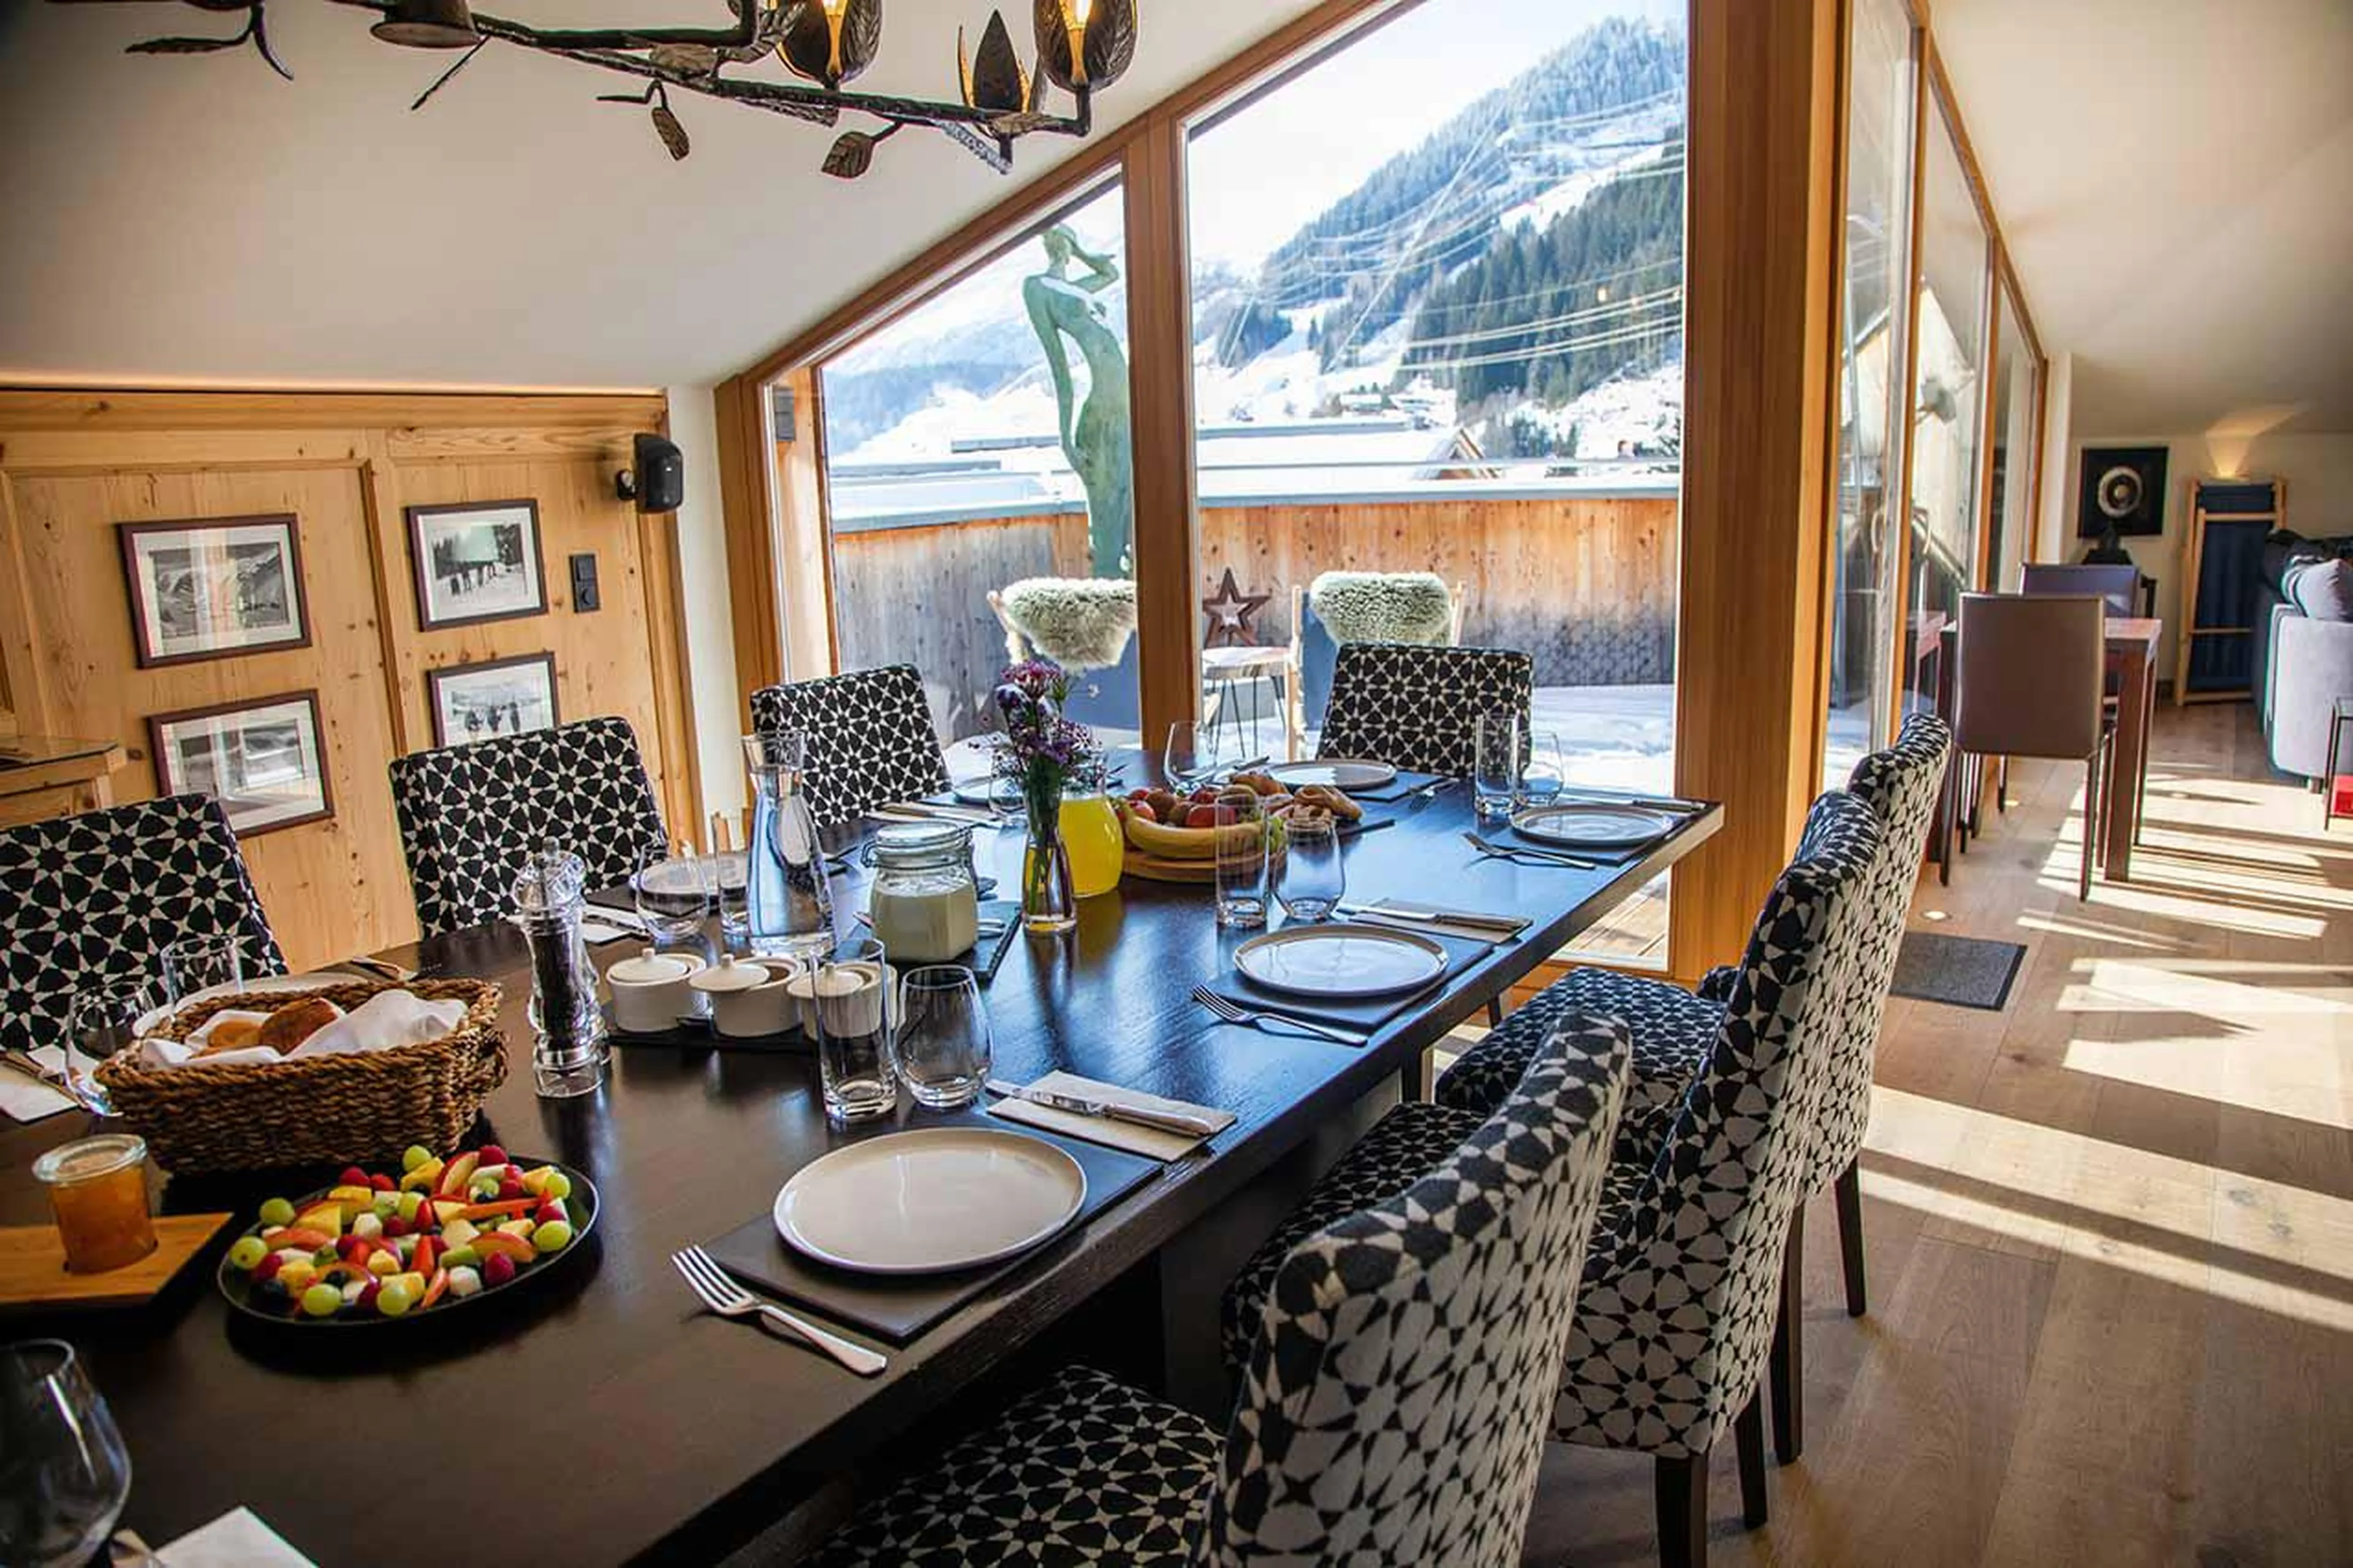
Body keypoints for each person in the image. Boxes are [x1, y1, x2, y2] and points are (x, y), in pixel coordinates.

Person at [1025, 225, 1134, 577]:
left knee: (1132, 507)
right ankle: (1109, 611)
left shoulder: (1076, 289)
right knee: (1105, 517)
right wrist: (1066, 440)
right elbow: (1059, 368)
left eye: (1065, 238)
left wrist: (1082, 251)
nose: (1058, 243)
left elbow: (1110, 273)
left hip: (1128, 405)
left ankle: (1132, 598)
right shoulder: (1038, 288)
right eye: (1054, 237)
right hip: (1100, 408)